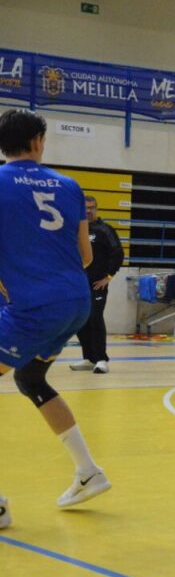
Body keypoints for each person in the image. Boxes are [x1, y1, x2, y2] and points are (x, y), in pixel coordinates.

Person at [0, 109, 112, 528]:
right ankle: (89, 472)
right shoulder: (68, 185)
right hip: (76, 302)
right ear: (36, 142)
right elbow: (85, 255)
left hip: (33, 307)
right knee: (30, 379)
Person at [69, 195, 124, 374]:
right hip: (77, 284)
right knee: (80, 321)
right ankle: (89, 358)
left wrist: (108, 276)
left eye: (91, 207)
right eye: (84, 207)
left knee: (95, 317)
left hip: (97, 284)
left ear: (96, 209)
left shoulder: (105, 230)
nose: (88, 211)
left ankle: (101, 359)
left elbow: (118, 254)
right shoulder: (74, 230)